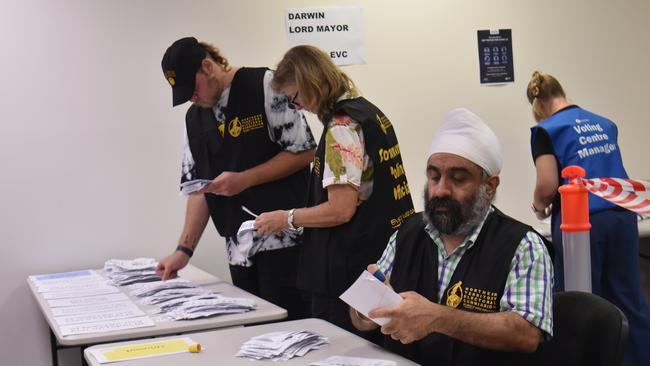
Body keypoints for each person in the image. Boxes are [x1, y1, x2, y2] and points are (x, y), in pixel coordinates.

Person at [350, 108, 554, 366]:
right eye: (434, 177)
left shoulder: (523, 247)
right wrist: (368, 309)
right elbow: (359, 317)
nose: (441, 190)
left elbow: (526, 334)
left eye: (457, 179)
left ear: (489, 187)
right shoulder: (407, 233)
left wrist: (436, 317)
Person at [254, 45, 415, 335]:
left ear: (309, 82)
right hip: (380, 256)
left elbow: (340, 209)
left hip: (349, 271)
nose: (297, 107)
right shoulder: (369, 112)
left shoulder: (342, 126)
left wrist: (286, 218)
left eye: (295, 98)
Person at [155, 37, 317, 320]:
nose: (192, 98)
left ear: (208, 67)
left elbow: (304, 152)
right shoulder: (195, 119)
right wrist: (184, 250)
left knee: (294, 334)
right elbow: (199, 189)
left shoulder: (265, 85)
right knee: (257, 337)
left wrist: (244, 179)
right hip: (239, 251)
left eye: (193, 90)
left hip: (287, 244)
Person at [526, 70, 650, 366]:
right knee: (630, 300)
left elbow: (547, 185)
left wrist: (538, 205)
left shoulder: (545, 130)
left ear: (538, 105)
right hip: (621, 217)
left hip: (580, 224)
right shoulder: (605, 123)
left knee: (579, 303)